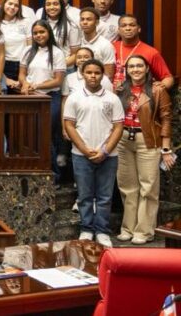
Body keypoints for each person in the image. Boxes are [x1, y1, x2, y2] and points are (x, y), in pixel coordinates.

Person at [63, 59, 123, 248]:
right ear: (82, 74)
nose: (93, 76)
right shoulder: (74, 97)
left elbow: (118, 126)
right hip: (81, 155)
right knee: (85, 195)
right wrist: (83, 148)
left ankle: (102, 231)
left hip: (108, 155)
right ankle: (87, 229)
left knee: (105, 196)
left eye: (97, 73)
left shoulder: (112, 98)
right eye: (89, 72)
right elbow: (69, 125)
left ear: (103, 74)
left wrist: (105, 150)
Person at [115, 54, 175, 244]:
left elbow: (166, 119)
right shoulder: (121, 89)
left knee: (148, 188)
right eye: (131, 66)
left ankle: (144, 231)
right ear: (127, 70)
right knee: (127, 187)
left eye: (139, 66)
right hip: (123, 139)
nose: (135, 70)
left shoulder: (157, 89)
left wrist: (166, 150)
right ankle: (128, 228)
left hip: (148, 140)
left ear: (147, 68)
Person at [18, 21, 68, 173]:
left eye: (42, 32)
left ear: (49, 33)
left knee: (45, 133)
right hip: (31, 97)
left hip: (51, 97)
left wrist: (37, 86)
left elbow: (58, 80)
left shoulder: (57, 53)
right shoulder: (27, 50)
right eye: (35, 33)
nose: (39, 35)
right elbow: (22, 74)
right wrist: (25, 84)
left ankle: (53, 175)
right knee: (30, 133)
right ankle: (35, 169)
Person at [112, 14, 174, 91]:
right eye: (124, 26)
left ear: (139, 29)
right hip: (112, 95)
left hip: (141, 98)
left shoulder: (151, 52)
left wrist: (159, 88)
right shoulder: (110, 47)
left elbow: (168, 78)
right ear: (118, 30)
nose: (128, 28)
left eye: (132, 25)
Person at [0, 0, 32, 88]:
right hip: (3, 66)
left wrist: (24, 72)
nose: (12, 7)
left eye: (16, 5)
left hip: (23, 65)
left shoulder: (26, 22)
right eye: (10, 4)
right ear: (3, 4)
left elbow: (30, 47)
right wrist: (5, 79)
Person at [77, 8, 116, 80]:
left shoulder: (105, 44)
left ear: (97, 22)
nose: (85, 22)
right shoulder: (77, 42)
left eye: (89, 19)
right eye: (82, 19)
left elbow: (109, 76)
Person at [41, 0, 80, 65]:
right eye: (48, 4)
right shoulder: (40, 25)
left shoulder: (72, 26)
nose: (52, 7)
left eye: (55, 4)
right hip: (43, 67)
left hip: (65, 67)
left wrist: (60, 68)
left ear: (62, 6)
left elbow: (75, 54)